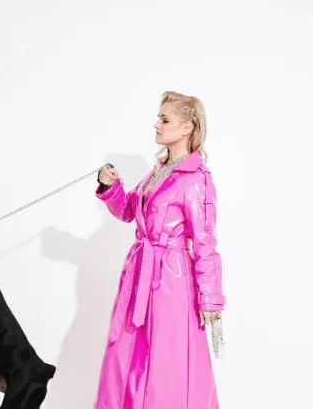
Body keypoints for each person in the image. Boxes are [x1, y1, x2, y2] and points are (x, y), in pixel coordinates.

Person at [93, 91, 226, 408]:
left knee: (166, 359)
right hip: (140, 272)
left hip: (171, 282)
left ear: (187, 128)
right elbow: (129, 211)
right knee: (128, 351)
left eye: (165, 119)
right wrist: (111, 187)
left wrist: (210, 297)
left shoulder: (196, 179)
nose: (156, 124)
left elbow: (205, 241)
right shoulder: (159, 170)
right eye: (158, 118)